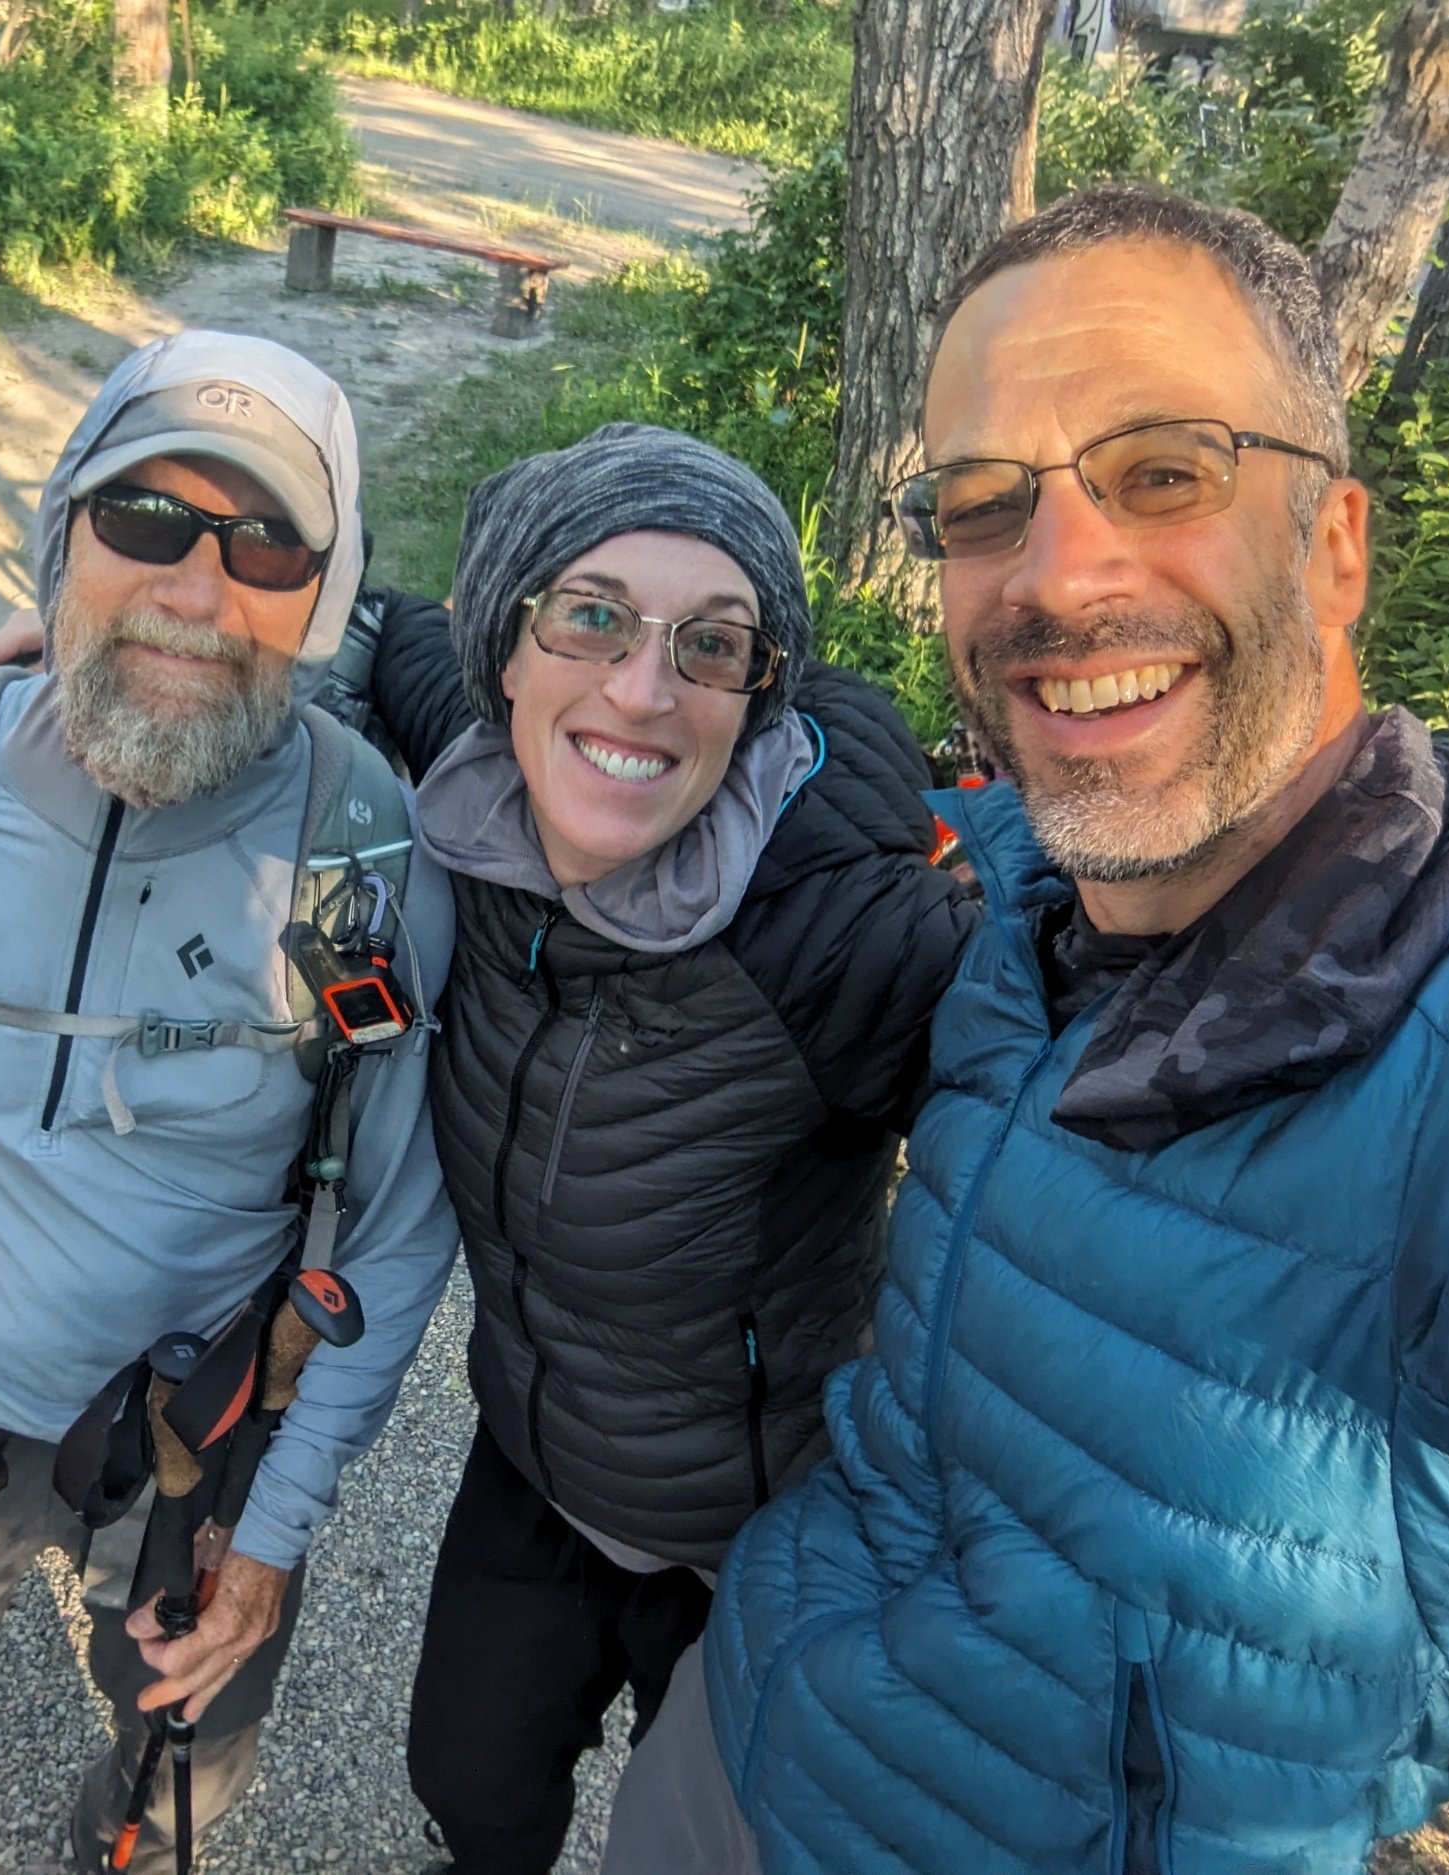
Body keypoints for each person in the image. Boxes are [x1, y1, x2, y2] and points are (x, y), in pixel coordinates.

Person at [699, 182, 1449, 1873]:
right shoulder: (1019, 893)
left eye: (1163, 473)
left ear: (1335, 545)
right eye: (982, 507)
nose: (1055, 575)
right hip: (742, 1738)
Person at [0, 329, 459, 1875]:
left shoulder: (374, 870)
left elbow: (396, 1227)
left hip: (207, 1437)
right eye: (147, 521)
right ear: (63, 537)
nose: (195, 590)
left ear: (325, 594)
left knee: (179, 1777)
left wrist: (284, 1519)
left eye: (264, 546)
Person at [341, 425, 975, 1875]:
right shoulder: (476, 779)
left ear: (759, 696)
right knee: (471, 1788)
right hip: (534, 1451)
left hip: (756, 1528)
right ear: (508, 643)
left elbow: (1090, 1068)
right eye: (590, 615)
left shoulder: (837, 934)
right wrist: (81, 654)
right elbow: (367, 627)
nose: (638, 685)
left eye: (712, 643)